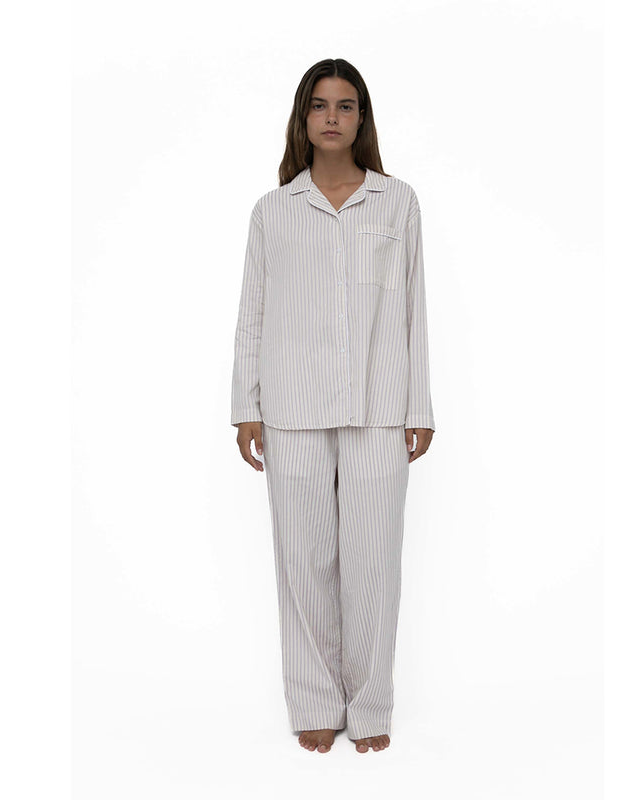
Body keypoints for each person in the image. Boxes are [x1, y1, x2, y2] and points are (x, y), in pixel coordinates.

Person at [230, 58, 435, 755]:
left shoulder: (397, 202)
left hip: (380, 405)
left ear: (361, 118)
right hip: (290, 408)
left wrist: (419, 406)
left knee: (373, 565)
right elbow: (252, 313)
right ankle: (315, 699)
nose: (332, 117)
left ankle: (370, 706)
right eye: (319, 105)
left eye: (345, 106)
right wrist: (246, 404)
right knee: (303, 560)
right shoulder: (273, 211)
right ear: (303, 117)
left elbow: (414, 309)